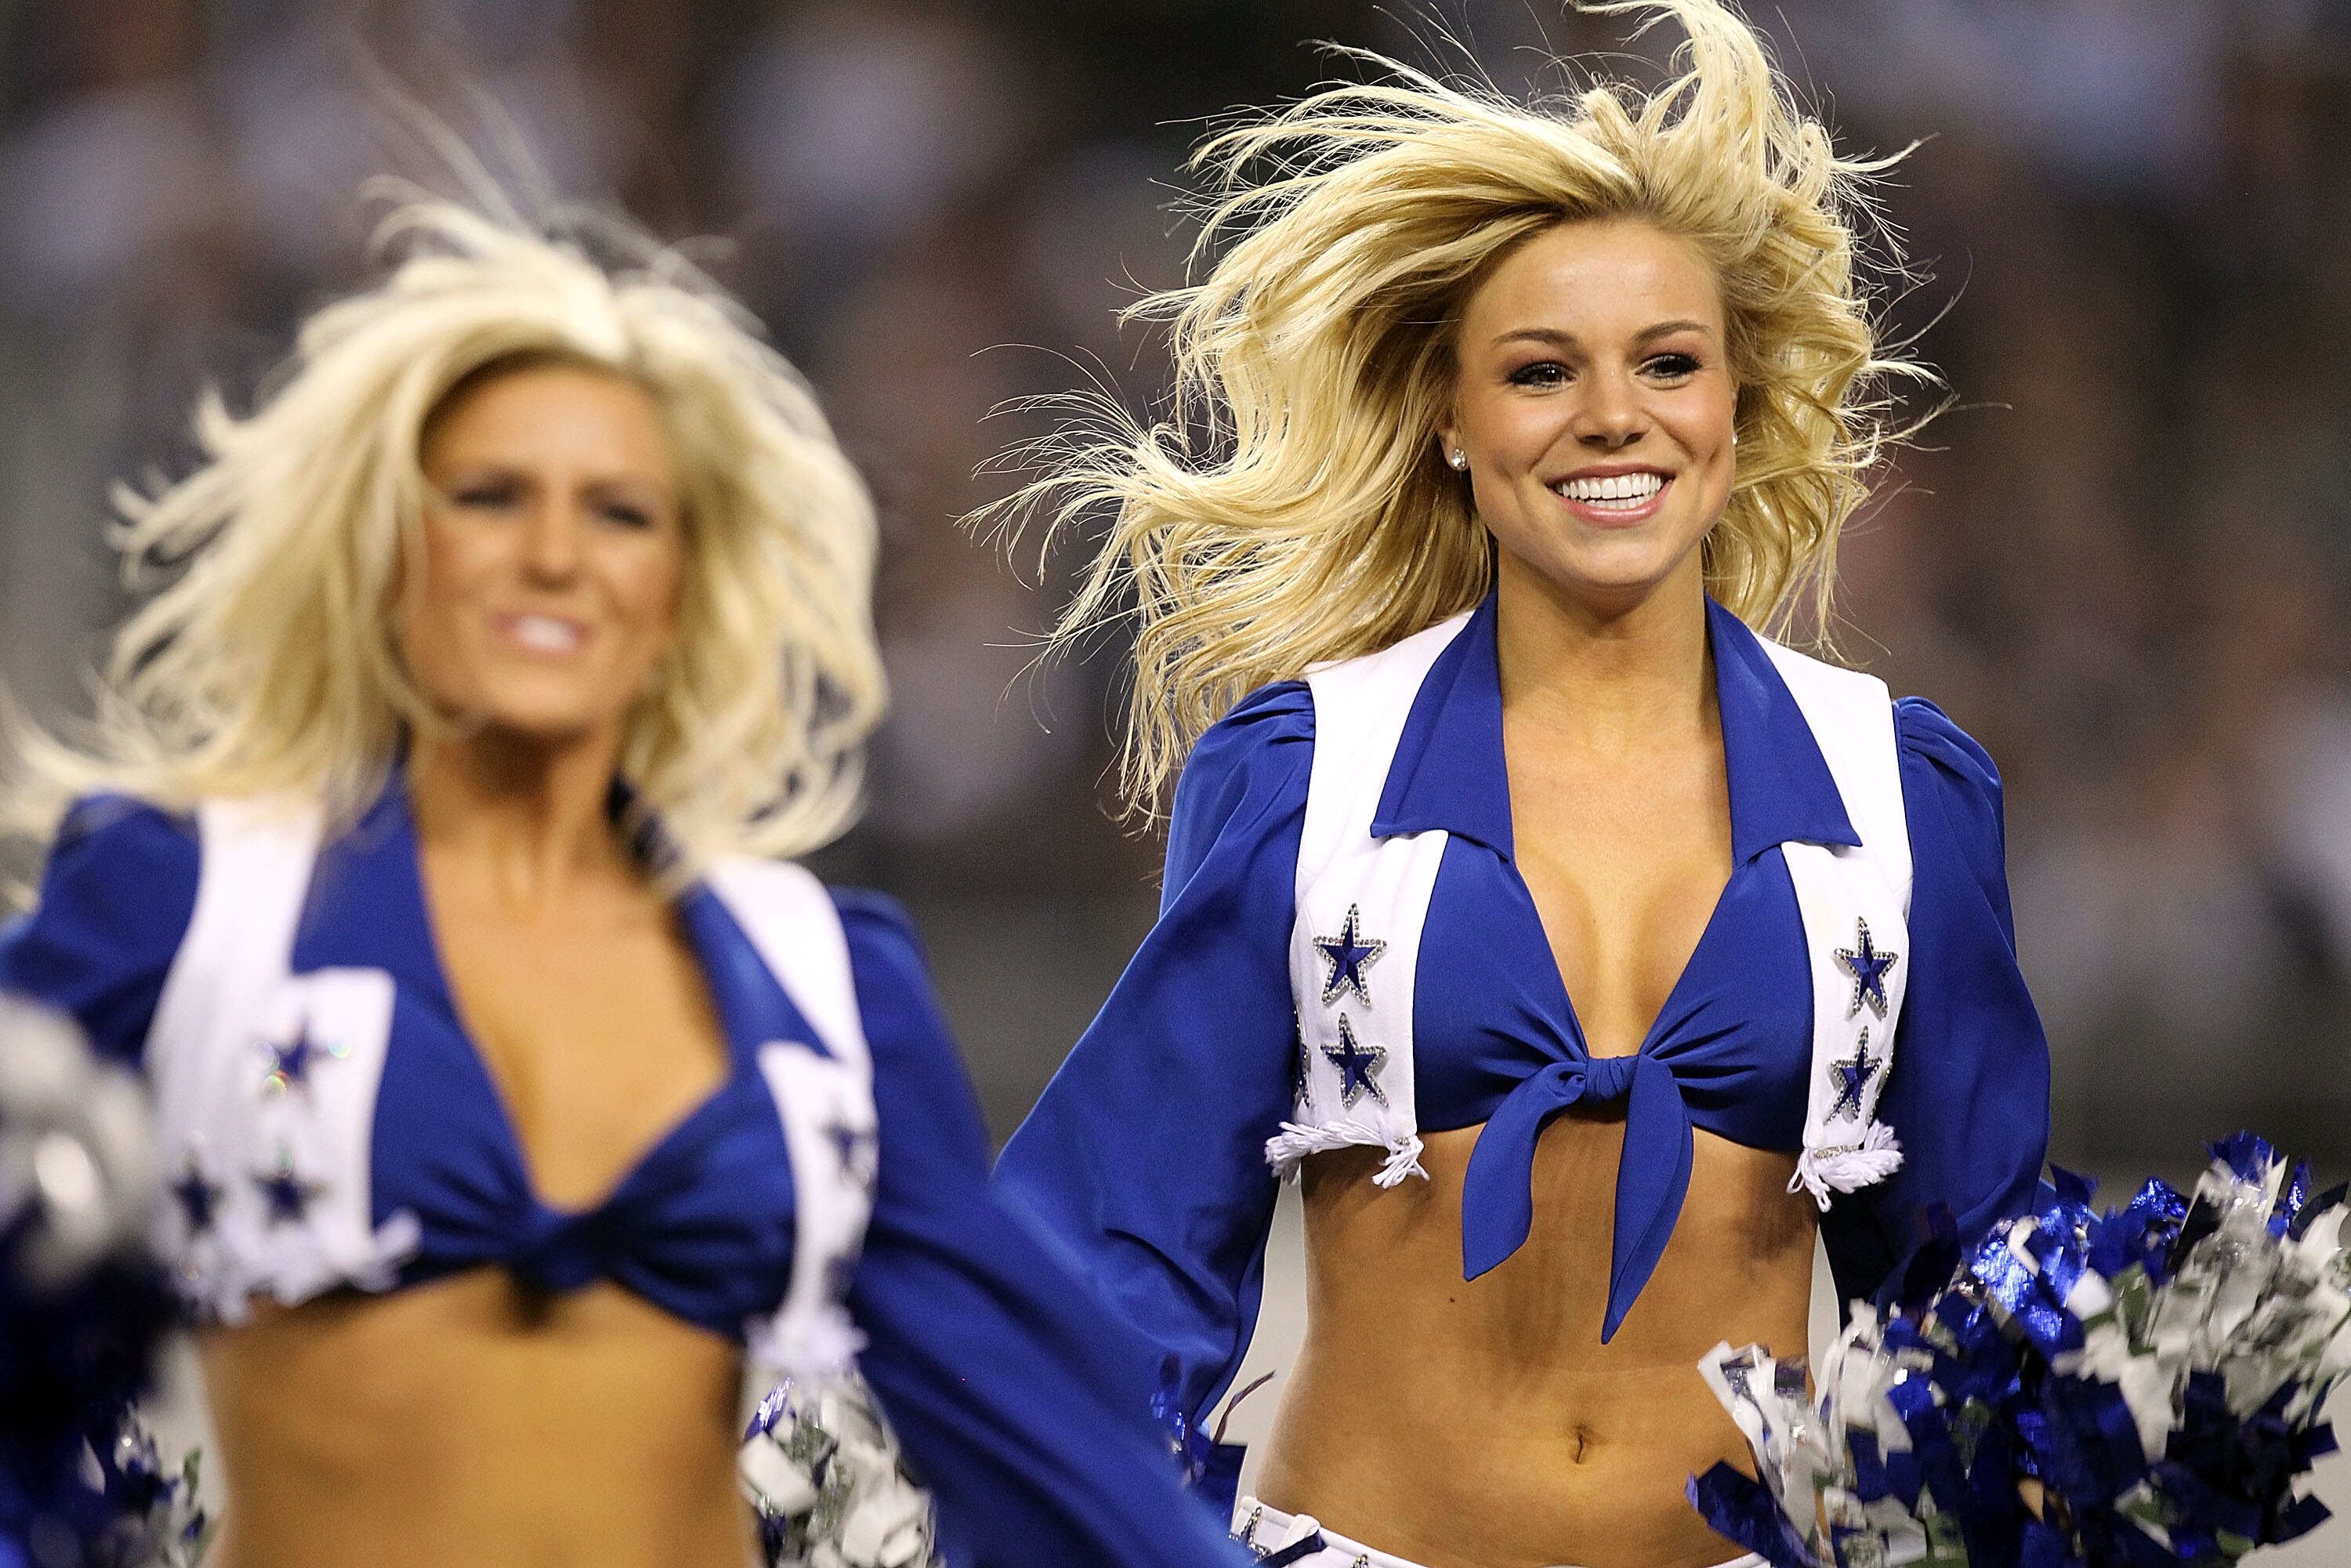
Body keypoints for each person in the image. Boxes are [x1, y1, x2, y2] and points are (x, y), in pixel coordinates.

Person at [0, 197, 1246, 1568]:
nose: (555, 553)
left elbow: (1071, 1468)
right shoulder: (184, 902)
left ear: (680, 585)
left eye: (620, 512)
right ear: (388, 549)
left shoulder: (828, 984)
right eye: (489, 496)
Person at [987, 3, 2050, 1566]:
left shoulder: (1900, 790)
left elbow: (1981, 1291)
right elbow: (1122, 1243)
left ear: (1738, 404)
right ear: (1450, 415)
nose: (1613, 415)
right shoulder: (1303, 775)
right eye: (1542, 369)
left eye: (1669, 362)